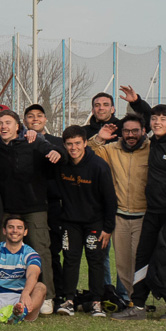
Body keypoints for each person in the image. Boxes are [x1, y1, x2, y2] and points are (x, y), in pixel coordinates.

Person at [112, 104, 166, 320]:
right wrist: (137, 100)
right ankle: (139, 306)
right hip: (153, 213)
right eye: (154, 118)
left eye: (163, 118)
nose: (158, 122)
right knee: (142, 258)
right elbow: (143, 114)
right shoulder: (156, 143)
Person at [0, 110, 61, 310]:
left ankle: (47, 296)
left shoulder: (33, 141)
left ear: (17, 127)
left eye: (8, 123)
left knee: (41, 251)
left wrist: (58, 152)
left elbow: (55, 152)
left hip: (34, 206)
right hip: (5, 208)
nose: (4, 126)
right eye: (0, 123)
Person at [48, 127, 116, 315]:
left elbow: (110, 199)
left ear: (85, 143)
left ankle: (96, 301)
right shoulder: (61, 164)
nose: (73, 147)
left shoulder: (99, 166)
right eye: (69, 144)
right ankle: (69, 300)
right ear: (64, 145)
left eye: (77, 143)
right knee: (70, 259)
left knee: (96, 260)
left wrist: (108, 227)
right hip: (70, 222)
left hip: (95, 222)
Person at [89, 114, 150, 301]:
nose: (130, 135)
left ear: (143, 131)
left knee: (139, 262)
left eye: (135, 131)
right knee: (123, 264)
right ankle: (130, 300)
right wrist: (99, 138)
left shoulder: (152, 149)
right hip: (120, 216)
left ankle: (140, 300)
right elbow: (88, 153)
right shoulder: (111, 150)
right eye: (126, 131)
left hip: (144, 216)